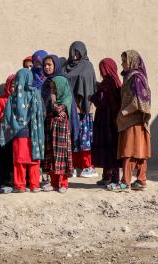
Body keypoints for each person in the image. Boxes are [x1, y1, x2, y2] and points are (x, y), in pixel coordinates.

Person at [108, 50, 151, 192]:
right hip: (134, 121)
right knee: (140, 151)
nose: (122, 64)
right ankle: (141, 180)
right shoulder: (132, 77)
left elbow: (137, 101)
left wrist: (123, 112)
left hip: (133, 121)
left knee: (129, 151)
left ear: (132, 61)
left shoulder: (136, 78)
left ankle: (125, 182)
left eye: (124, 61)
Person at [0, 68, 44, 193]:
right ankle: (34, 185)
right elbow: (42, 113)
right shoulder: (35, 94)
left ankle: (20, 186)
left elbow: (7, 116)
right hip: (34, 133)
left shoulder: (13, 97)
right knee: (34, 159)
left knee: (19, 160)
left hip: (18, 134)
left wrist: (6, 131)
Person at [63, 41, 98, 178]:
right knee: (72, 138)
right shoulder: (66, 67)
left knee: (83, 138)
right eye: (73, 51)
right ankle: (74, 166)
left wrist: (83, 103)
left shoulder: (87, 66)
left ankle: (86, 166)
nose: (75, 55)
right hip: (69, 109)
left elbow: (90, 86)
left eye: (78, 52)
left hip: (83, 109)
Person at [91, 58, 122, 186]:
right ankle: (108, 176)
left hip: (106, 121)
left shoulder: (107, 83)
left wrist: (93, 96)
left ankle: (112, 177)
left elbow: (102, 102)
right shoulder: (115, 82)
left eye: (102, 68)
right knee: (110, 148)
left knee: (109, 147)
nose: (101, 71)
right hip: (112, 120)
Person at [42, 76, 74, 193]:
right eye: (51, 88)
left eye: (54, 89)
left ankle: (63, 184)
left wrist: (53, 100)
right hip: (51, 131)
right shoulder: (51, 99)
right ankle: (54, 183)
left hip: (61, 134)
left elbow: (58, 109)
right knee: (52, 155)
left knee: (62, 156)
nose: (52, 91)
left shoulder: (66, 98)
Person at [0, 74, 15, 193]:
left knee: (16, 158)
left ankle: (17, 180)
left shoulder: (22, 99)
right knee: (5, 158)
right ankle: (5, 181)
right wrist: (4, 116)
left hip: (19, 135)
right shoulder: (1, 100)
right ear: (8, 86)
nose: (15, 88)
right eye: (13, 86)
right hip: (5, 135)